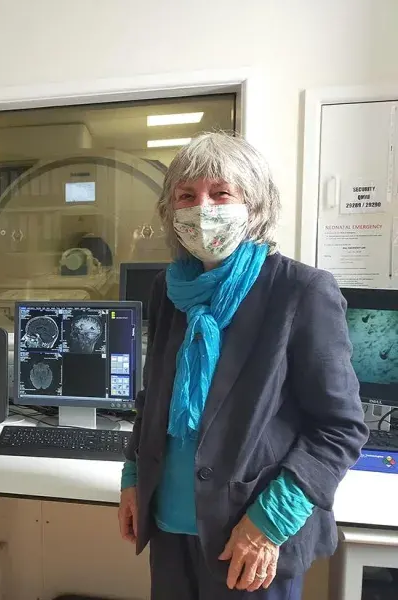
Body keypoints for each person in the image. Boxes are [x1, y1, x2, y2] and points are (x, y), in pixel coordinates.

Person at [117, 133, 368, 599]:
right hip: (170, 527)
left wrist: (266, 525)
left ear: (253, 206)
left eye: (221, 193)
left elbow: (339, 428)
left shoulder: (301, 292)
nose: (201, 208)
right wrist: (134, 477)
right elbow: (153, 397)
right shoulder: (169, 291)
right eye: (186, 196)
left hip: (250, 536)